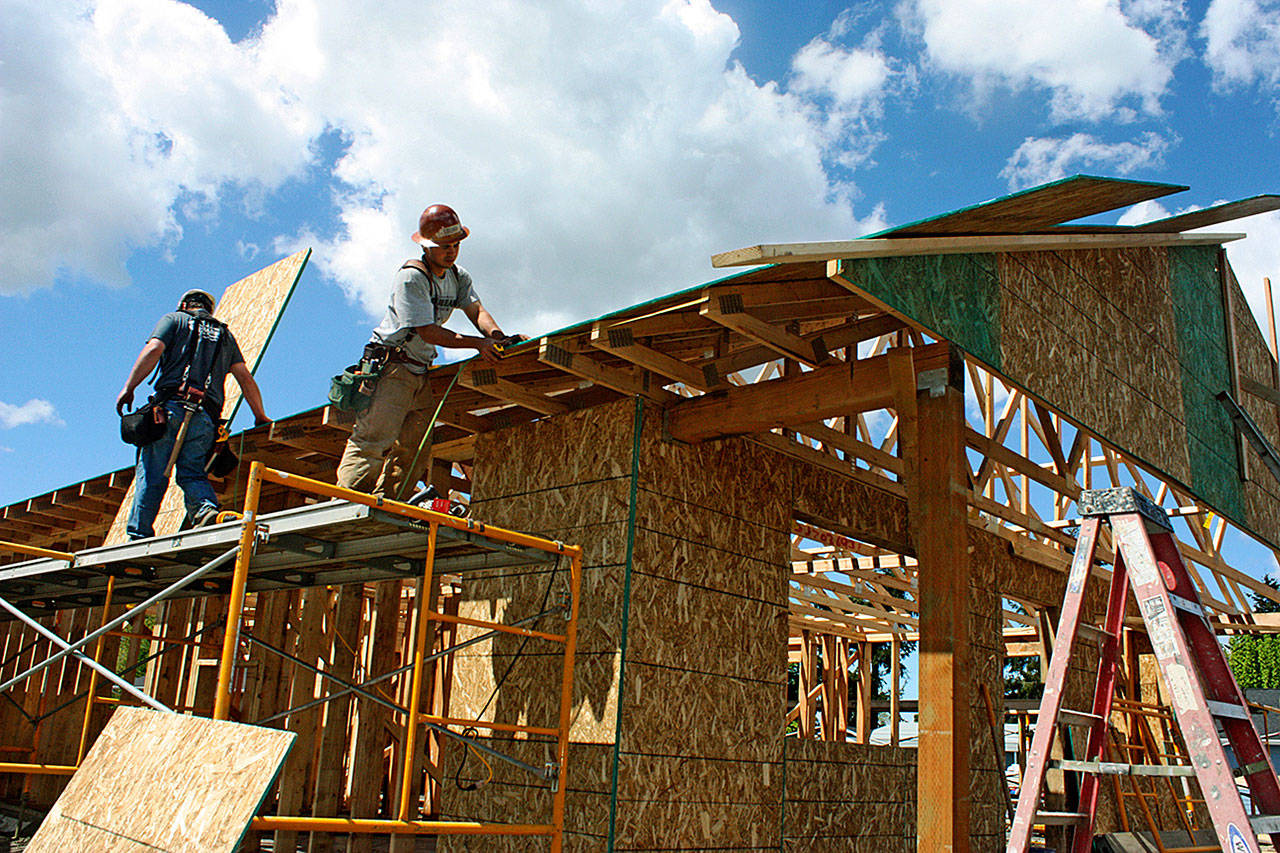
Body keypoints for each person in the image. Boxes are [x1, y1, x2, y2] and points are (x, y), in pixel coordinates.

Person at [336, 204, 519, 499]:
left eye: (456, 245)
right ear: (428, 246)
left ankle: (388, 506)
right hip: (392, 368)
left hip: (419, 372)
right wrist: (478, 344)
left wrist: (497, 337)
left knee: (415, 451)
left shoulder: (457, 277)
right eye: (445, 246)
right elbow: (428, 331)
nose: (452, 251)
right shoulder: (412, 277)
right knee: (373, 441)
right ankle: (347, 505)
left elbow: (476, 310)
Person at [116, 289, 270, 539]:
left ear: (185, 304)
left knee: (153, 472)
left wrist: (129, 387)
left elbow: (154, 349)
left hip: (169, 410)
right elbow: (244, 376)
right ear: (209, 309)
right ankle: (205, 511)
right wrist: (260, 415)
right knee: (193, 472)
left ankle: (139, 534)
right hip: (204, 418)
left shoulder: (174, 320)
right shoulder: (225, 334)